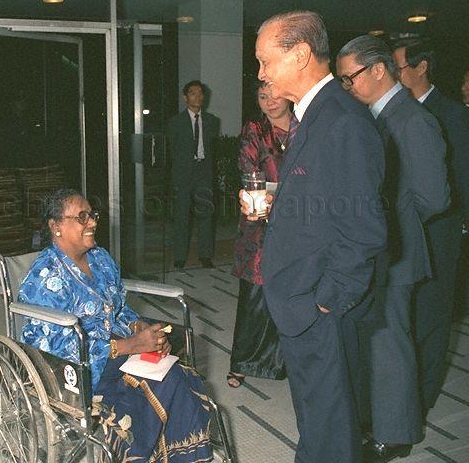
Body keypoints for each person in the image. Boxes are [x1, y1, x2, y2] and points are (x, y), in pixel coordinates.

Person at [248, 11, 387, 463]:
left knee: (331, 423)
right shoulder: (316, 114)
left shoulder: (342, 120)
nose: (261, 74)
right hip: (302, 298)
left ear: (301, 54)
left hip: (319, 305)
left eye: (266, 62)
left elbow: (363, 231)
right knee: (318, 416)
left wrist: (325, 300)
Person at [18, 189, 216, 462]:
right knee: (163, 383)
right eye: (82, 217)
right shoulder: (45, 278)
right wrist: (130, 346)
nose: (93, 222)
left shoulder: (100, 259)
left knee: (176, 375)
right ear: (56, 227)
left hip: (117, 348)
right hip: (77, 370)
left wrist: (140, 329)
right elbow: (55, 351)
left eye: (93, 215)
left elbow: (119, 308)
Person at [337, 35, 449, 462]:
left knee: (390, 342)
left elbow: (435, 198)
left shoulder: (411, 119)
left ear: (378, 70)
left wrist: (394, 214)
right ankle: (376, 420)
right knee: (374, 338)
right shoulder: (376, 116)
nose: (347, 86)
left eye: (351, 78)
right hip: (377, 246)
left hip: (397, 248)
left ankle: (396, 434)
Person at [393, 39, 469, 417]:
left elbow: (458, 182)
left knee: (431, 321)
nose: (393, 76)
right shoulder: (393, 112)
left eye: (399, 68)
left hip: (439, 233)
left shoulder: (452, 114)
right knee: (401, 319)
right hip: (403, 234)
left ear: (421, 68)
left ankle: (420, 404)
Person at [228, 81, 289, 388]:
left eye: (276, 94)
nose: (270, 101)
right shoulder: (255, 129)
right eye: (263, 96)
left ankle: (285, 361)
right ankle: (241, 362)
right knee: (255, 292)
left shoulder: (305, 125)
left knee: (292, 290)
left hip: (298, 220)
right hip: (260, 220)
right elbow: (248, 168)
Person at [166, 80, 220, 269]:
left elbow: (213, 149)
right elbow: (172, 151)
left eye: (200, 93)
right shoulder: (175, 122)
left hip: (203, 173)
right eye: (192, 93)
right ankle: (180, 256)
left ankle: (205, 256)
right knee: (182, 217)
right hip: (183, 174)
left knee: (205, 214)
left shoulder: (213, 121)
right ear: (185, 97)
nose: (197, 96)